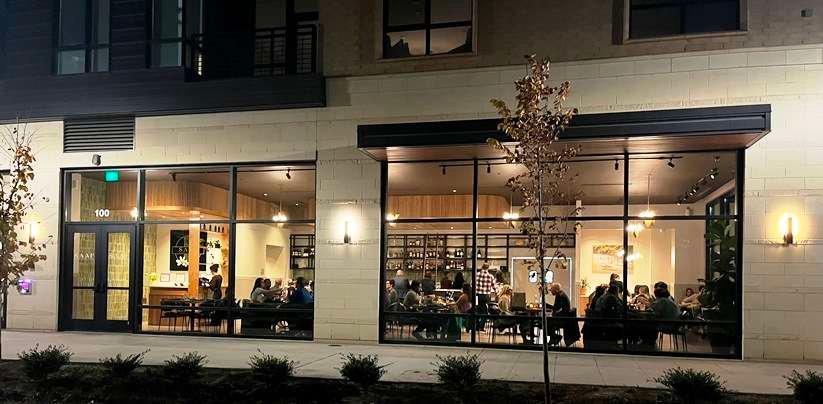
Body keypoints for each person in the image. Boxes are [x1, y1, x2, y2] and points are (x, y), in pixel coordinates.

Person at [475, 263, 497, 331]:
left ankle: (477, 326)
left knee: (477, 310)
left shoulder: (476, 274)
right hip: (485, 296)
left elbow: (471, 284)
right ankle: (481, 327)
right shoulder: (490, 276)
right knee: (485, 312)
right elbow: (494, 287)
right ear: (488, 268)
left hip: (477, 296)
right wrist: (496, 292)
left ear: (482, 267)